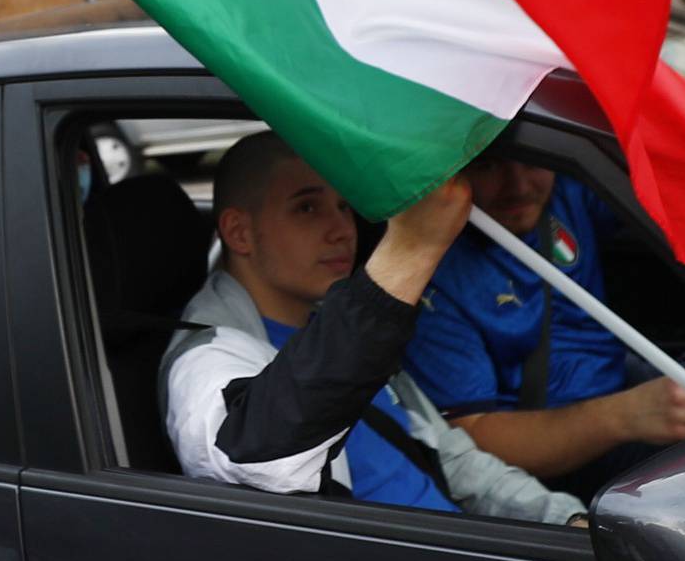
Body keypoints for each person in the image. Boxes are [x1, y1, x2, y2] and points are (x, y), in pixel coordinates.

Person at [161, 133, 584, 525]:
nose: (341, 230)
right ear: (240, 232)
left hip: (464, 545)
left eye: (345, 206)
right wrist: (411, 248)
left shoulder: (333, 317)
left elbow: (453, 459)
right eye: (307, 208)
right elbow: (256, 458)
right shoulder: (208, 357)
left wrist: (563, 521)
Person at [403, 151, 685, 499]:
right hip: (565, 464)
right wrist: (625, 415)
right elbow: (473, 440)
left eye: (533, 160)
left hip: (627, 386)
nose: (518, 187)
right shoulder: (433, 277)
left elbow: (662, 183)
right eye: (488, 164)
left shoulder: (569, 186)